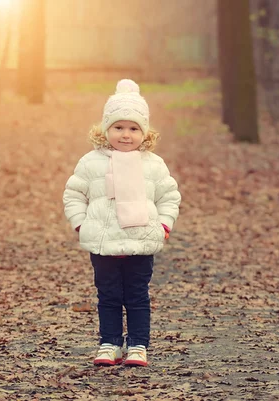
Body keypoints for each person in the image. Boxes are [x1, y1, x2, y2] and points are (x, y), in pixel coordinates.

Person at [63, 79, 181, 367]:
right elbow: (74, 193)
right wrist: (81, 223)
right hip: (104, 245)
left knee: (137, 296)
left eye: (133, 128)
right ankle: (110, 343)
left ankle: (138, 345)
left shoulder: (153, 164)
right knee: (109, 295)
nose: (125, 135)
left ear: (144, 132)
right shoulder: (92, 162)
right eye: (118, 127)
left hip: (140, 242)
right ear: (106, 129)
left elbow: (169, 196)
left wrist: (164, 225)